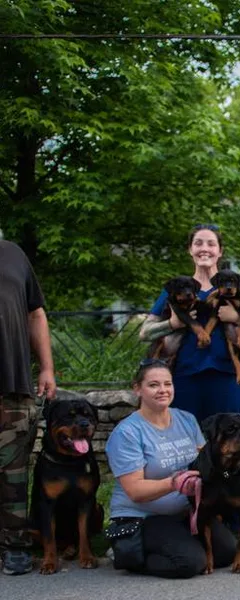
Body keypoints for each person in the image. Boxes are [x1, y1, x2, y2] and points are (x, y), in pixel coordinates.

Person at [105, 359, 236, 578]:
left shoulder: (186, 420)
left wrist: (227, 471)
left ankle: (180, 544)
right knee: (190, 563)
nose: (163, 390)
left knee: (227, 552)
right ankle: (127, 552)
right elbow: (135, 491)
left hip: (185, 513)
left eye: (168, 384)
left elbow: (208, 465)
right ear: (137, 389)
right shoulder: (127, 433)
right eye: (154, 385)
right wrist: (174, 483)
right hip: (143, 517)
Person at [139, 224, 240, 424]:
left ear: (220, 251)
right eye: (198, 243)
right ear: (190, 249)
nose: (204, 249)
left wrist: (236, 318)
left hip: (230, 377)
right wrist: (173, 324)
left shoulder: (238, 286)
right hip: (185, 377)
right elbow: (145, 333)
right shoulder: (176, 288)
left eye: (211, 244)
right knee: (186, 441)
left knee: (231, 439)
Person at [0, 240, 57, 576]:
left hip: (12, 385)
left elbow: (35, 313)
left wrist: (47, 367)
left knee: (13, 474)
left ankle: (15, 545)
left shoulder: (13, 253)